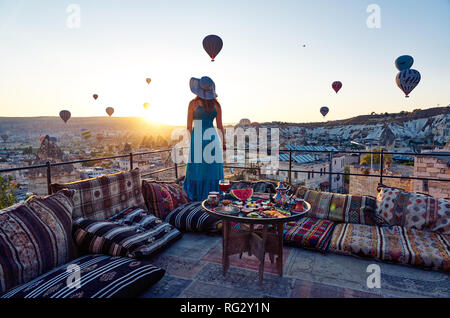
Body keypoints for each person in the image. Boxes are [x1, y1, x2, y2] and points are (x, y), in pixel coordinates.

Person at [183, 76, 225, 201]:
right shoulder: (217, 105)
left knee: (198, 167)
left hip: (198, 136)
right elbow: (220, 127)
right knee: (212, 167)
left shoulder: (193, 104)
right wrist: (224, 144)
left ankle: (197, 194)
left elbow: (188, 127)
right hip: (212, 137)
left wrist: (192, 141)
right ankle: (213, 195)